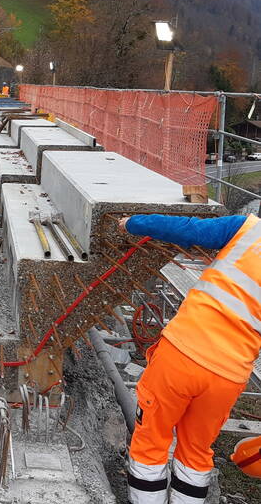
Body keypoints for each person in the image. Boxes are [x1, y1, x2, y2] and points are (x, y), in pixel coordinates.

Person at [119, 213, 261, 503]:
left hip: (182, 354)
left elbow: (186, 230)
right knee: (196, 451)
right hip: (229, 375)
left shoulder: (248, 229)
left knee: (151, 441)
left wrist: (132, 222)